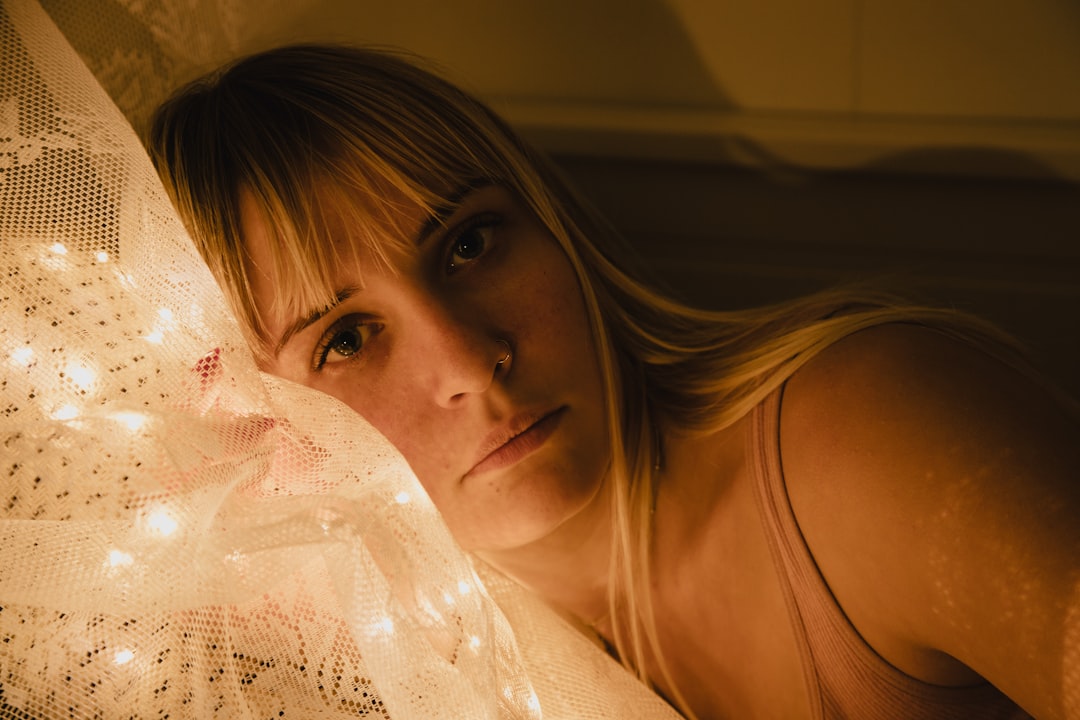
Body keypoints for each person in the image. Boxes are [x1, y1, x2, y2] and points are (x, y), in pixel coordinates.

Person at [148, 44, 1079, 719]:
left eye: (469, 244)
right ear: (263, 417)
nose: (471, 363)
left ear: (551, 224)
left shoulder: (875, 432)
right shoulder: (360, 669)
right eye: (347, 339)